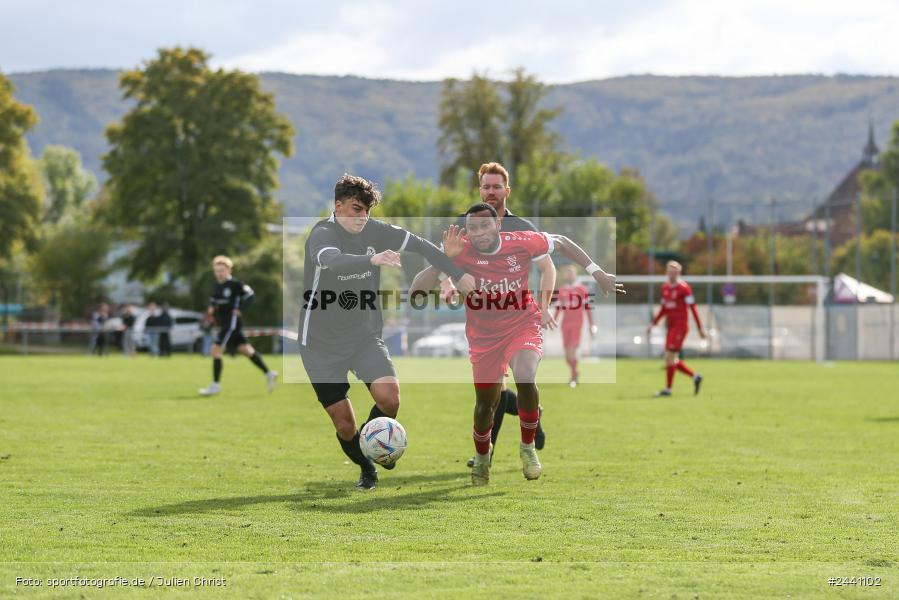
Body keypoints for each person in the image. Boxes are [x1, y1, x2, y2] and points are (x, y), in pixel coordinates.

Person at [411, 202, 624, 486]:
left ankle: (527, 447)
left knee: (525, 376)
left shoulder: (522, 241)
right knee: (485, 405)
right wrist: (444, 261)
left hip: (522, 324)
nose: (479, 233)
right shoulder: (458, 250)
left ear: (498, 224)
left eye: (485, 225)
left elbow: (562, 242)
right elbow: (415, 292)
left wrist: (596, 272)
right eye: (472, 228)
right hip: (484, 337)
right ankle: (483, 455)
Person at [299, 173, 476, 490]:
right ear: (338, 206)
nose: (362, 217)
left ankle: (376, 441)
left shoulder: (376, 231)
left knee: (390, 399)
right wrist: (372, 257)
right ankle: (367, 467)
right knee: (344, 423)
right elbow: (333, 262)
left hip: (364, 335)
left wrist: (455, 275)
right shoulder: (322, 234)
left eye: (367, 210)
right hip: (320, 344)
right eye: (355, 208)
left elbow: (425, 247)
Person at [198, 256, 277, 396]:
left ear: (228, 270)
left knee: (215, 351)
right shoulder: (217, 285)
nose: (219, 273)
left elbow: (250, 295)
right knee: (246, 350)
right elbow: (214, 302)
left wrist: (240, 308)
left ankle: (215, 386)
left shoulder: (235, 284)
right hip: (227, 325)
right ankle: (269, 373)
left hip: (231, 325)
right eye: (217, 271)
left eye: (222, 270)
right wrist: (210, 311)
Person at [646, 261, 706, 397]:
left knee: (669, 357)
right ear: (667, 272)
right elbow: (663, 309)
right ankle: (695, 376)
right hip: (671, 327)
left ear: (679, 273)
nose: (672, 274)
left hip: (680, 327)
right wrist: (653, 324)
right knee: (670, 359)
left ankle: (668, 389)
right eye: (670, 271)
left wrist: (700, 327)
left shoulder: (684, 288)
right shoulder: (665, 288)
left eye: (675, 272)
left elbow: (693, 308)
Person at [553, 265, 597, 388]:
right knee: (567, 355)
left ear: (575, 274)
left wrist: (591, 325)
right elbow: (558, 309)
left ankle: (573, 377)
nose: (569, 275)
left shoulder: (582, 289)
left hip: (577, 324)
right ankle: (576, 371)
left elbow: (587, 309)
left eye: (571, 272)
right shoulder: (562, 290)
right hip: (565, 325)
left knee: (572, 351)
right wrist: (554, 321)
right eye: (567, 273)